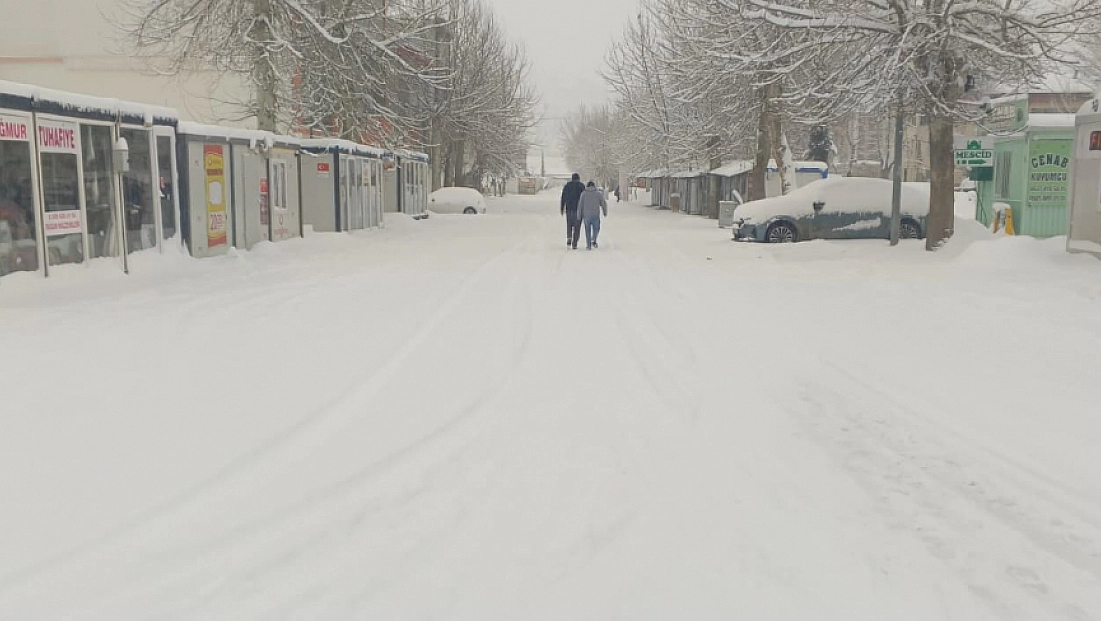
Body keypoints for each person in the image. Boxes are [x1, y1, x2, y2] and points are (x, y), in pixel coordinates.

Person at [576, 181, 607, 250]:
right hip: (595, 214)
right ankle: (593, 238)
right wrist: (605, 212)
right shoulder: (598, 194)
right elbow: (603, 203)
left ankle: (588, 245)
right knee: (597, 228)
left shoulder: (583, 194)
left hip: (586, 215)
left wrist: (579, 215)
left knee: (587, 230)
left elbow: (580, 205)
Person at [560, 172, 586, 249]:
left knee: (569, 224)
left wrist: (562, 208)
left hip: (569, 208)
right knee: (577, 226)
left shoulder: (567, 186)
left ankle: (569, 237)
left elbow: (563, 197)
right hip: (578, 209)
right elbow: (584, 198)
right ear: (578, 178)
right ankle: (574, 242)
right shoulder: (581, 186)